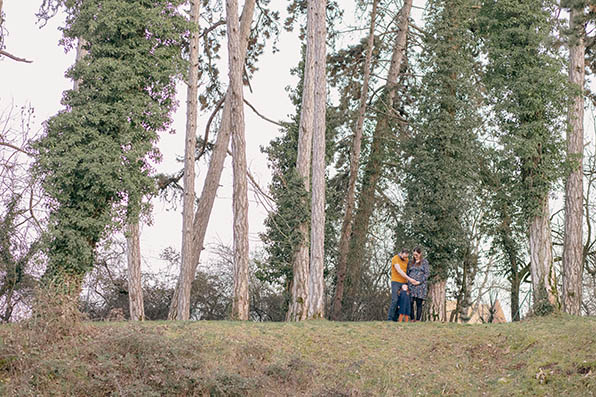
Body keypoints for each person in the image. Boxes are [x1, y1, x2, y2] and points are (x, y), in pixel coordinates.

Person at [387, 249, 419, 321]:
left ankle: (397, 319)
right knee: (395, 300)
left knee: (402, 301)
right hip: (395, 282)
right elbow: (400, 271)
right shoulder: (395, 258)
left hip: (404, 282)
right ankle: (390, 318)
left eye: (406, 257)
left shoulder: (407, 260)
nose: (405, 259)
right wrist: (410, 279)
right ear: (401, 253)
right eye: (404, 257)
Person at [407, 247, 430, 322]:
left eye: (416, 255)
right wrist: (409, 282)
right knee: (410, 302)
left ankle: (417, 319)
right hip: (411, 286)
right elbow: (407, 273)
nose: (415, 256)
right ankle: (412, 318)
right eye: (414, 255)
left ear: (420, 254)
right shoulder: (410, 262)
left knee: (419, 303)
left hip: (420, 286)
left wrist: (419, 282)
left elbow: (427, 274)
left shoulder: (424, 262)